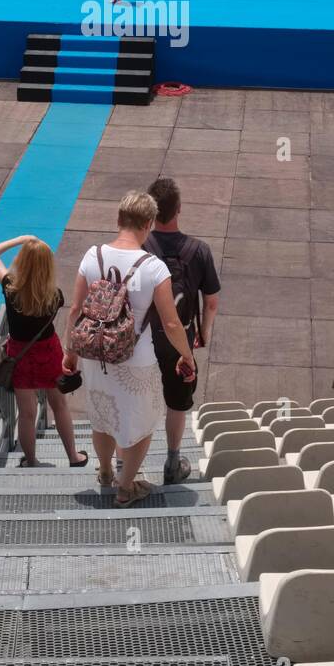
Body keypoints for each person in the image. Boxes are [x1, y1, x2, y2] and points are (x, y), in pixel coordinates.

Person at [61, 191, 195, 507]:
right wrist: (186, 356)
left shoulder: (92, 256)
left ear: (118, 219)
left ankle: (106, 471)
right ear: (148, 224)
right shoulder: (154, 267)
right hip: (137, 360)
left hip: (96, 356)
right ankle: (125, 489)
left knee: (102, 418)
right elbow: (172, 324)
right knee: (142, 424)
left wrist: (71, 352)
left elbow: (75, 310)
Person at [0, 234, 88, 468]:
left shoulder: (10, 289)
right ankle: (73, 456)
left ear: (22, 262)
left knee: (27, 414)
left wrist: (21, 239)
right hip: (49, 351)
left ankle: (30, 460)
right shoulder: (55, 296)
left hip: (20, 355)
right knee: (59, 405)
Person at [144, 177, 221, 484]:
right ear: (179, 209)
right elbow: (211, 302)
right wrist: (203, 333)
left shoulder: (140, 247)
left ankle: (123, 466)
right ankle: (173, 462)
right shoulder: (199, 251)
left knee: (138, 398)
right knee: (177, 403)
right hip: (180, 341)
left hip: (142, 338)